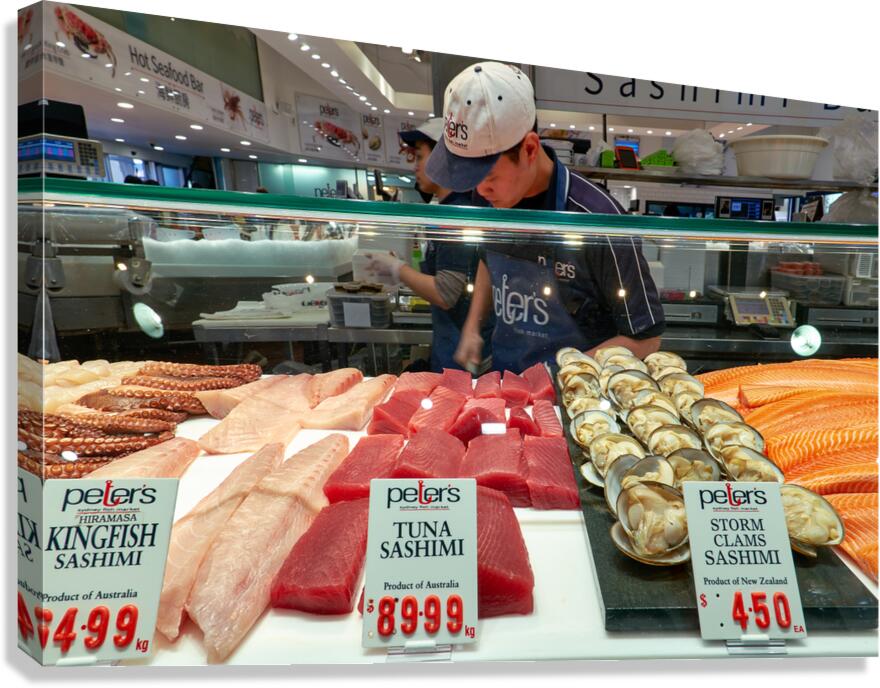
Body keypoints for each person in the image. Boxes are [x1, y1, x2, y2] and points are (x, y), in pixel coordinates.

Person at [425, 62, 665, 373]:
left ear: (528, 148)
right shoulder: (486, 196)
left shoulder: (598, 219)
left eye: (489, 175)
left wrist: (561, 375)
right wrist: (473, 326)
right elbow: (488, 258)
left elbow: (647, 339)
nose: (480, 189)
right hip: (506, 386)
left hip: (576, 404)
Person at [365, 118, 492, 372]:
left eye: (420, 156)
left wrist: (396, 268)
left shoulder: (456, 214)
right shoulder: (444, 212)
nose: (415, 167)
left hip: (464, 356)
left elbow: (445, 292)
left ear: (442, 158)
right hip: (453, 349)